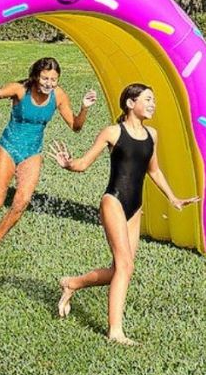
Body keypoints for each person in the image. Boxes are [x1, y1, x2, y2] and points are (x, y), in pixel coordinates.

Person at [49, 84, 198, 345]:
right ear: (130, 103)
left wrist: (173, 198)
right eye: (148, 99)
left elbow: (154, 171)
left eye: (154, 99)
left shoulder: (152, 134)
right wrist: (68, 163)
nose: (153, 104)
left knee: (122, 269)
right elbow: (83, 164)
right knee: (125, 265)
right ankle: (115, 331)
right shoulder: (113, 132)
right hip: (113, 202)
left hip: (135, 207)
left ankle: (72, 283)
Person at [0, 57, 97, 251]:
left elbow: (75, 126)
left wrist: (85, 107)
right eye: (45, 79)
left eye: (54, 80)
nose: (49, 84)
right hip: (9, 148)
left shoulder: (58, 95)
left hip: (33, 153)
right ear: (36, 76)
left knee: (22, 201)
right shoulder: (20, 89)